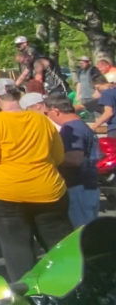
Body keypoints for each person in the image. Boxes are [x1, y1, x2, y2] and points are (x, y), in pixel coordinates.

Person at [0, 78, 71, 280]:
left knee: (16, 247)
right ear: (19, 95)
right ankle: (68, 289)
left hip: (4, 194)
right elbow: (58, 157)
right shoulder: (42, 121)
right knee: (58, 245)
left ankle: (25, 296)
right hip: (47, 190)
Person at [45, 95, 100, 227]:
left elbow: (75, 159)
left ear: (56, 111)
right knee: (89, 228)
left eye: (47, 113)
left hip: (78, 186)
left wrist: (49, 159)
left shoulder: (71, 129)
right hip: (89, 184)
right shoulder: (82, 125)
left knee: (80, 232)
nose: (47, 117)